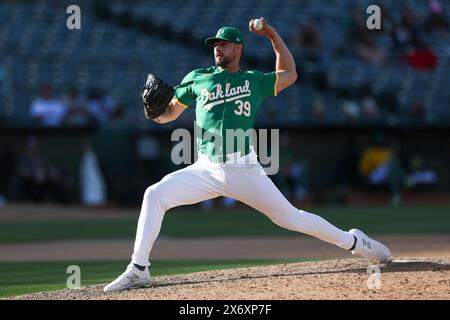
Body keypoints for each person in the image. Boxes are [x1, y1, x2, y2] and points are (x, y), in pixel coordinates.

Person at [104, 18, 393, 293]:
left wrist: (272, 35)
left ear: (239, 47)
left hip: (243, 169)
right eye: (215, 44)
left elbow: (290, 74)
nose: (218, 48)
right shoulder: (197, 78)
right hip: (205, 169)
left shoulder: (254, 80)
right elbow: (169, 114)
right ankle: (139, 268)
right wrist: (152, 113)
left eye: (225, 43)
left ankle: (355, 241)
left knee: (291, 218)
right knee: (154, 194)